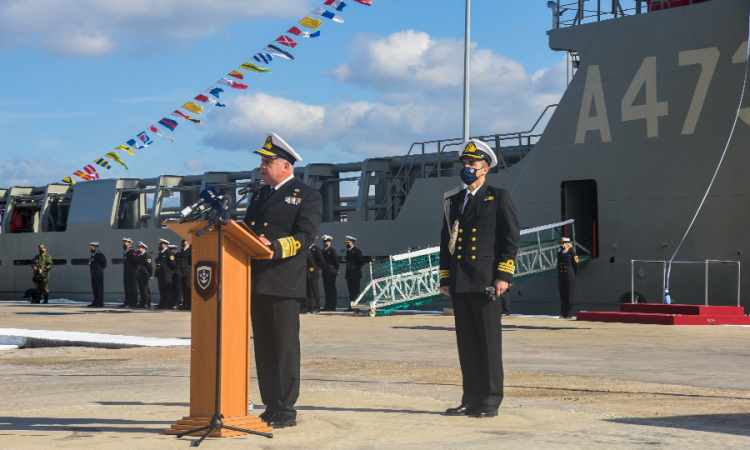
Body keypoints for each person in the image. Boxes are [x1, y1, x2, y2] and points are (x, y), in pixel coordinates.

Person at [243, 132, 322, 428]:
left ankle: (286, 408)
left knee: (284, 347)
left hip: (284, 281)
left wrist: (273, 247)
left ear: (286, 166)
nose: (262, 167)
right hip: (256, 281)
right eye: (262, 161)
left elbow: (306, 237)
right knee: (264, 347)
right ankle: (270, 405)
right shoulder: (260, 194)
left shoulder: (307, 195)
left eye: (268, 161)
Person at [439, 139, 520, 418]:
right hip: (461, 282)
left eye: (472, 164)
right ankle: (470, 398)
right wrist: (446, 276)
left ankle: (490, 399)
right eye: (464, 163)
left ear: (485, 169)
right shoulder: (453, 201)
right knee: (468, 345)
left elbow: (510, 239)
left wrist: (503, 276)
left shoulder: (498, 197)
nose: (466, 168)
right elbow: (445, 241)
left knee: (488, 344)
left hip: (486, 282)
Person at [557, 237, 579, 318]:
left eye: (563, 244)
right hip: (561, 278)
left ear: (567, 245)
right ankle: (563, 314)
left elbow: (576, 266)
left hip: (570, 277)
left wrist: (573, 276)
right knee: (563, 296)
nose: (561, 245)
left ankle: (569, 314)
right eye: (561, 244)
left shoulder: (572, 253)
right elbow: (559, 266)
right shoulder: (559, 254)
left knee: (569, 296)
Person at [344, 236, 366, 311]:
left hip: (355, 274)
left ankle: (357, 306)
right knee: (351, 291)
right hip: (349, 274)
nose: (347, 244)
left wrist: (356, 268)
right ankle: (352, 306)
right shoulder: (348, 251)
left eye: (348, 242)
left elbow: (361, 261)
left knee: (355, 291)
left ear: (352, 242)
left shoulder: (356, 251)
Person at [302, 241, 324, 314]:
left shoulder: (316, 249)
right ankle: (310, 307)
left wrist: (317, 269)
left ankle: (317, 307)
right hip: (306, 272)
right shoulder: (305, 249)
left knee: (315, 290)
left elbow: (321, 261)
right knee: (308, 291)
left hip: (313, 272)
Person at [154, 238, 176, 310]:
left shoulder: (169, 253)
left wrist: (171, 270)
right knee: (162, 290)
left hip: (166, 274)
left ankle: (169, 304)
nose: (160, 245)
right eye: (159, 244)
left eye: (161, 244)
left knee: (168, 290)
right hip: (160, 274)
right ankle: (162, 303)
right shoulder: (160, 253)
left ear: (165, 245)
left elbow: (173, 263)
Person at [321, 235, 339, 311]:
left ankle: (332, 305)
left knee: (332, 289)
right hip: (325, 272)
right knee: (326, 289)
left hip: (331, 272)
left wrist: (336, 269)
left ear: (330, 243)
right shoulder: (322, 251)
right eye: (324, 241)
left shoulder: (332, 251)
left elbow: (336, 261)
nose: (325, 243)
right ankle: (327, 305)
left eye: (327, 241)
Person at [120, 238, 139, 308]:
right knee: (127, 287)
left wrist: (135, 268)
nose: (124, 244)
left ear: (130, 244)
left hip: (132, 272)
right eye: (123, 242)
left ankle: (133, 302)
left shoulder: (132, 251)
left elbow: (136, 260)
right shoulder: (125, 252)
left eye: (125, 242)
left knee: (132, 287)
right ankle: (127, 302)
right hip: (126, 272)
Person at [134, 242, 153, 308]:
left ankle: (147, 303)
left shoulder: (147, 256)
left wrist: (150, 275)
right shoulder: (140, 256)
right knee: (141, 289)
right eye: (138, 248)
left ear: (143, 248)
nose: (138, 249)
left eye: (139, 248)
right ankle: (142, 302)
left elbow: (149, 266)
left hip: (145, 275)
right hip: (139, 274)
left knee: (145, 289)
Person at [88, 242, 107, 307]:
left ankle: (100, 302)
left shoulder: (100, 255)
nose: (91, 248)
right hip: (93, 274)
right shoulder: (93, 255)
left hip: (98, 274)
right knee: (95, 288)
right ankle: (95, 301)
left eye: (92, 247)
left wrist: (98, 269)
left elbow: (104, 264)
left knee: (99, 289)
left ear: (96, 247)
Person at [176, 239, 192, 310]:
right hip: (182, 272)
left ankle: (189, 304)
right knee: (184, 289)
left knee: (188, 289)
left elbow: (192, 260)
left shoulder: (190, 250)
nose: (182, 243)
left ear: (188, 242)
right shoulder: (183, 250)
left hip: (188, 272)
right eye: (182, 242)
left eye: (184, 242)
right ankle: (185, 303)